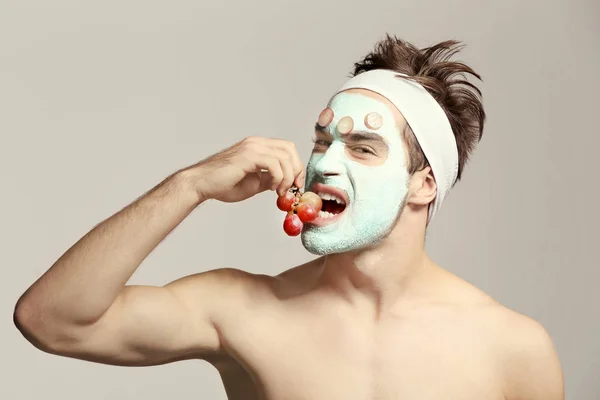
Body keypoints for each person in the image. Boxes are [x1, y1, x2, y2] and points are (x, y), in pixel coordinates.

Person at [13, 35, 564, 400]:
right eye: (322, 141)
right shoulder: (244, 309)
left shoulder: (512, 348)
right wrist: (191, 185)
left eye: (363, 149)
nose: (324, 163)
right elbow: (49, 320)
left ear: (424, 185)